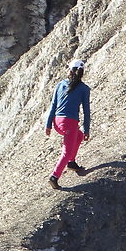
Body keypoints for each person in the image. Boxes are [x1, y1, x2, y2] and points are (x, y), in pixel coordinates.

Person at [45, 59, 91, 189]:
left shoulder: (60, 84)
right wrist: (87, 129)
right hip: (69, 123)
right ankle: (54, 177)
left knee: (79, 136)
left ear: (70, 70)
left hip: (57, 122)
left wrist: (48, 125)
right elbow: (86, 111)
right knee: (67, 151)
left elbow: (53, 106)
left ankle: (71, 162)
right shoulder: (84, 89)